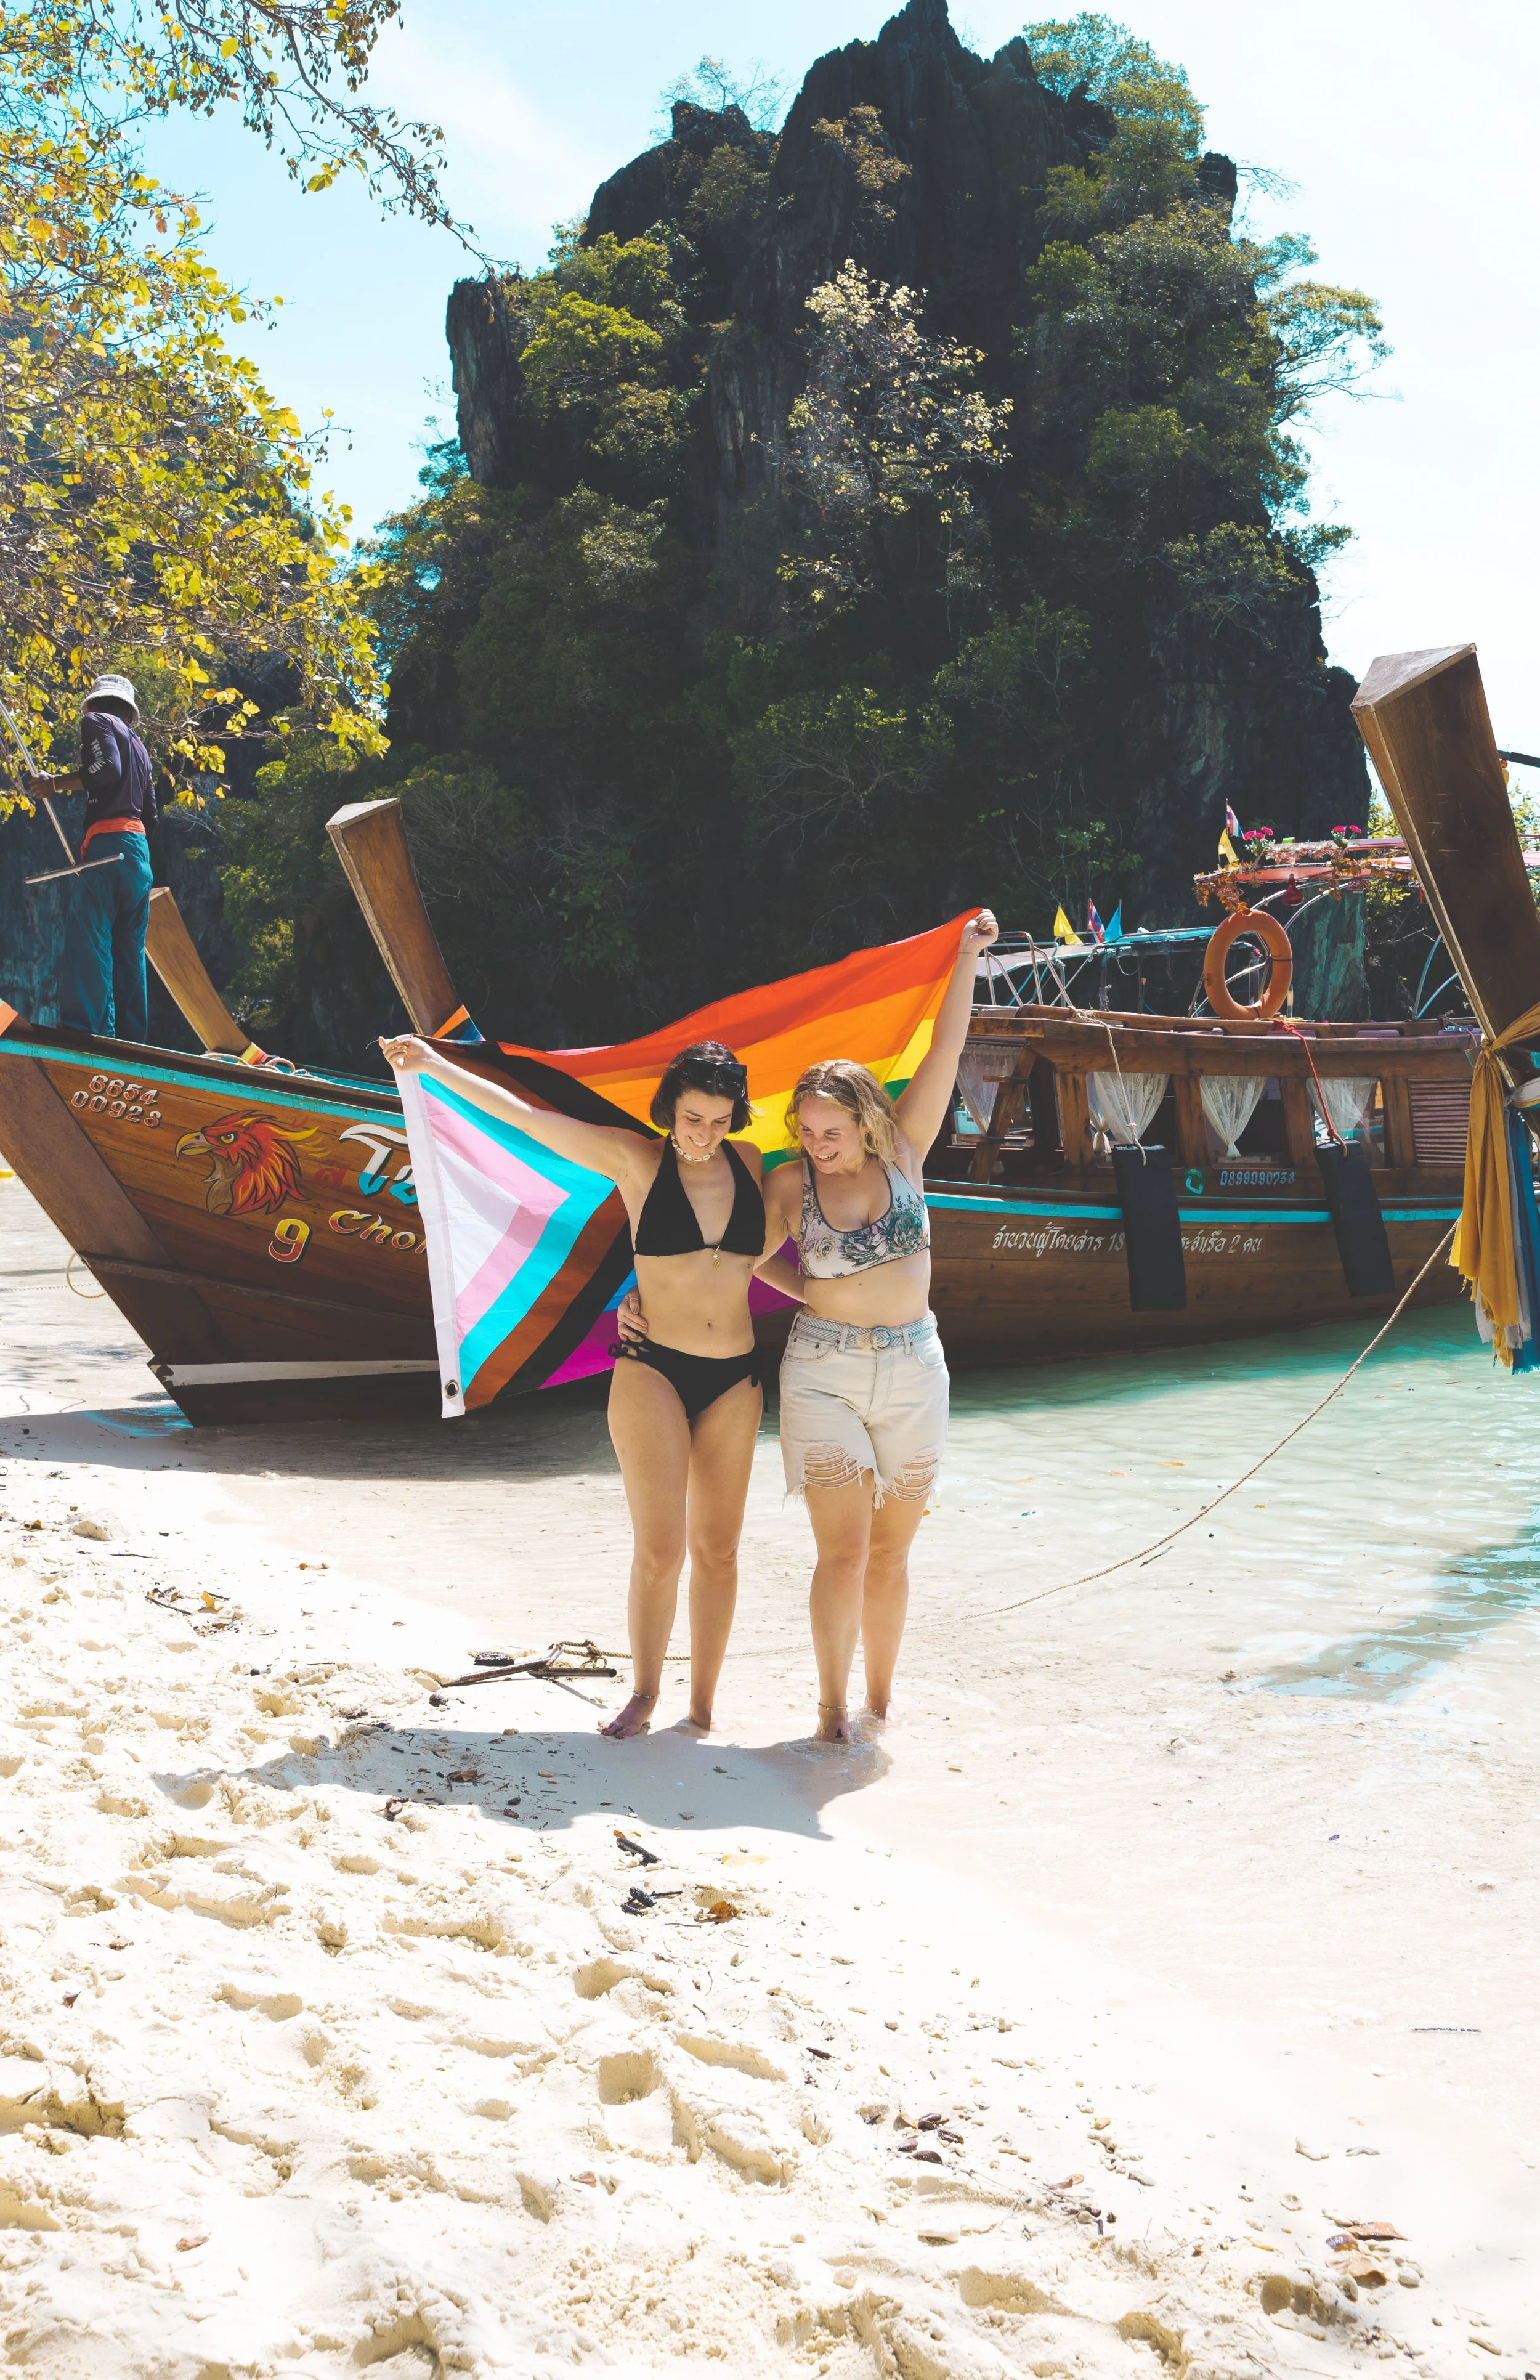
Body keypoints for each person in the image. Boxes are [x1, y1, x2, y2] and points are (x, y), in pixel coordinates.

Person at [378, 1033, 798, 1739]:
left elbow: (758, 1255)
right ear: (669, 1108)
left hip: (735, 1376)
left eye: (722, 1119)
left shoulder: (751, 1163)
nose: (706, 1133)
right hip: (652, 1368)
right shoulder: (635, 1159)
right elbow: (526, 1121)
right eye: (694, 1117)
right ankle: (644, 1690)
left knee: (720, 1550)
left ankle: (702, 1705)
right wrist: (434, 1065)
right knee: (662, 1550)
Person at [764, 910, 998, 1742]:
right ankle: (830, 1710)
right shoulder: (789, 1183)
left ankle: (881, 1700)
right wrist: (807, 1289)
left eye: (830, 1130)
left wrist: (967, 956)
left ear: (863, 1120)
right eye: (807, 1131)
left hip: (913, 1367)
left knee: (894, 1553)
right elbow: (741, 1252)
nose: (817, 1143)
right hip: (823, 1370)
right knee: (846, 1553)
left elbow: (946, 1050)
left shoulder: (905, 1153)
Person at [28, 674, 158, 1044]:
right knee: (129, 949)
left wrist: (53, 784)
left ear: (96, 702)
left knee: (90, 937)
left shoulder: (97, 721)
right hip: (139, 855)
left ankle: (86, 1031)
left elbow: (106, 771)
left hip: (110, 849)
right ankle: (131, 1041)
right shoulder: (141, 748)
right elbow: (151, 814)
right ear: (129, 708)